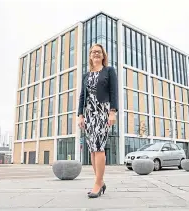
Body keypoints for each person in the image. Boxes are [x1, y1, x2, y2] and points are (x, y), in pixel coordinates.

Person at [78, 43, 118, 198]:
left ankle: (97, 183)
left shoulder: (109, 71)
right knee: (92, 149)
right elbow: (83, 96)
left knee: (99, 147)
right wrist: (80, 115)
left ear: (103, 55)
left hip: (103, 111)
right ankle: (100, 181)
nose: (96, 54)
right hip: (89, 113)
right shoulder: (86, 76)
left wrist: (112, 112)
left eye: (99, 52)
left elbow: (113, 92)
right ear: (90, 56)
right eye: (93, 52)